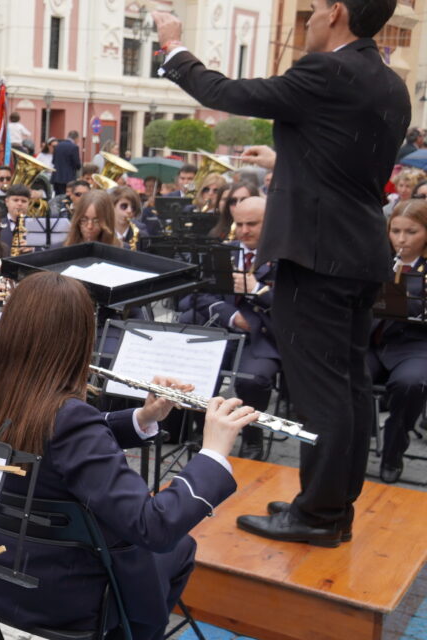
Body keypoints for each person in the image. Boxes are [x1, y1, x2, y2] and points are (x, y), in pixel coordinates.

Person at [155, 0, 411, 545]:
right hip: (359, 252)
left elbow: (224, 92)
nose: (312, 17)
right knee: (350, 388)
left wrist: (174, 45)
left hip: (316, 259)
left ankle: (316, 516)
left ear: (337, 12)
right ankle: (331, 507)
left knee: (321, 394)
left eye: (317, 7)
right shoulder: (388, 84)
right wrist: (285, 159)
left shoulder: (325, 70)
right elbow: (345, 163)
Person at [0, 271, 258, 640]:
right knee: (180, 547)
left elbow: (56, 436)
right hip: (65, 598)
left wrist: (143, 417)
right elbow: (154, 527)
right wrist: (213, 450)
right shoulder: (69, 420)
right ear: (79, 338)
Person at [178, 197, 279, 461]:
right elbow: (193, 297)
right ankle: (205, 430)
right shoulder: (223, 251)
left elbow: (290, 310)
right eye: (240, 223)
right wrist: (232, 316)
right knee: (192, 370)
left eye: (252, 224)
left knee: (254, 378)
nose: (244, 231)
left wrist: (257, 290)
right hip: (222, 330)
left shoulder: (284, 258)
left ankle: (252, 436)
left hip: (262, 338)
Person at [370, 199, 427, 482]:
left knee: (410, 384)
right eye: (395, 231)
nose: (401, 239)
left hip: (413, 347)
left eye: (411, 232)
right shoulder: (374, 260)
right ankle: (348, 448)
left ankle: (394, 448)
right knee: (345, 376)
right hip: (372, 343)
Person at [52, 131, 83, 195]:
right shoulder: (74, 147)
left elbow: (53, 161)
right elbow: (77, 164)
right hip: (68, 178)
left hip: (56, 177)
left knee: (57, 197)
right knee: (67, 198)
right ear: (76, 138)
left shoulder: (58, 145)